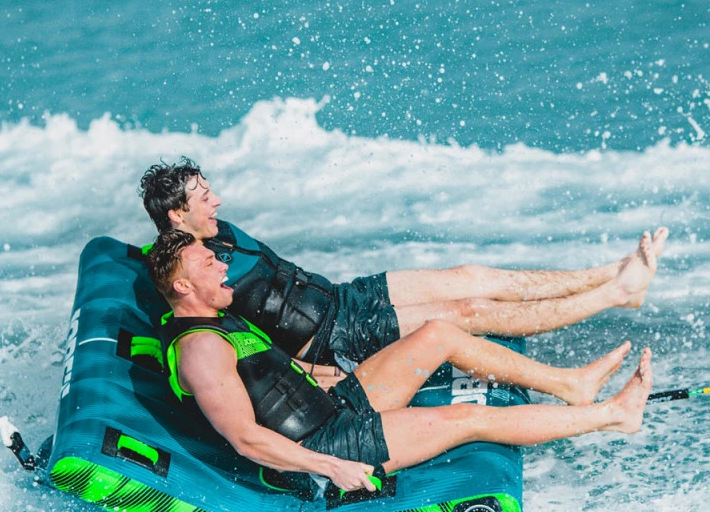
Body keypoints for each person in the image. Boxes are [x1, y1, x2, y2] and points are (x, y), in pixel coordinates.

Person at [145, 229, 653, 494]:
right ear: (184, 285)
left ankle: (569, 385)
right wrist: (332, 466)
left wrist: (327, 376)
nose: (223, 265)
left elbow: (269, 374)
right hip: (330, 443)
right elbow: (246, 438)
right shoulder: (201, 351)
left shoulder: (219, 316)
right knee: (467, 419)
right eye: (209, 264)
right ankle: (613, 415)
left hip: (334, 405)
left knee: (439, 334)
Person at [138, 159, 668, 372]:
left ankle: (614, 273)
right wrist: (314, 373)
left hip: (341, 297)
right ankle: (616, 294)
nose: (218, 201)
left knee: (470, 276)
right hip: (331, 336)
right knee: (470, 309)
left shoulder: (215, 232)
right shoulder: (192, 276)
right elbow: (235, 343)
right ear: (176, 214)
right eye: (204, 197)